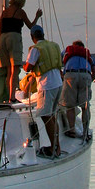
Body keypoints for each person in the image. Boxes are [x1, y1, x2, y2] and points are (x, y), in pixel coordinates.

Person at [22, 25, 63, 157]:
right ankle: (57, 146)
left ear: (32, 37)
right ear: (43, 34)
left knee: (46, 116)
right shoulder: (54, 45)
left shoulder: (36, 49)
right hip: (58, 83)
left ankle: (53, 147)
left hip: (47, 85)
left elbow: (28, 67)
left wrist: (23, 66)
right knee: (52, 116)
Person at [0, 0, 42, 102]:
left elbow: (0, 29)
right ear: (21, 2)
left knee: (9, 70)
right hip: (14, 37)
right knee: (15, 69)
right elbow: (31, 26)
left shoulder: (4, 12)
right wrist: (37, 16)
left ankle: (8, 95)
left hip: (2, 38)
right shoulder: (20, 12)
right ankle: (12, 98)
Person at [59, 39, 95, 138]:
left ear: (73, 46)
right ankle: (85, 132)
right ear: (82, 47)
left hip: (70, 75)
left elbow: (57, 63)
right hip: (85, 75)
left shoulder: (67, 51)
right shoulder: (87, 54)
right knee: (85, 106)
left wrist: (62, 76)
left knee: (70, 106)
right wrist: (89, 81)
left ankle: (72, 131)